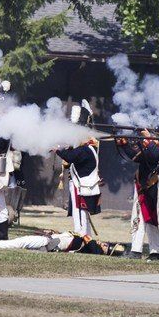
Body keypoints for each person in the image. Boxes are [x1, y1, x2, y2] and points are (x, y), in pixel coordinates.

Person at [56, 102, 102, 237]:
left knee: (80, 209)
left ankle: (81, 235)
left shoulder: (88, 145)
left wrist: (59, 149)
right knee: (78, 209)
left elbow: (71, 156)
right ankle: (81, 233)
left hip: (81, 182)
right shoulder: (82, 143)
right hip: (77, 179)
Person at [116, 134, 159, 260]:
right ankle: (142, 250)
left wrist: (147, 143)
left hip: (152, 188)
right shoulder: (152, 150)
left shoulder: (158, 151)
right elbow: (137, 156)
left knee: (151, 221)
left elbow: (145, 157)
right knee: (141, 219)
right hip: (145, 188)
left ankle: (152, 251)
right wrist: (124, 145)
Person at [0, 229, 124, 256]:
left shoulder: (96, 250)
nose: (103, 243)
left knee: (23, 241)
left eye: (106, 246)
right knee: (23, 241)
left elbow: (90, 243)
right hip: (54, 239)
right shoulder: (92, 244)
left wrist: (83, 234)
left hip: (54, 243)